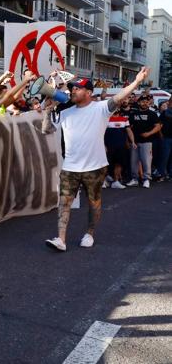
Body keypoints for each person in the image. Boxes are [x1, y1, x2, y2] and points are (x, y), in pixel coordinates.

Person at [42, 68, 149, 252]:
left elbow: (119, 97)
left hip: (95, 167)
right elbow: (46, 130)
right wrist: (47, 110)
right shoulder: (66, 113)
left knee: (94, 202)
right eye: (72, 88)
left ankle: (89, 233)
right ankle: (61, 239)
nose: (73, 90)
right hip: (70, 167)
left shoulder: (101, 109)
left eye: (78, 88)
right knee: (64, 202)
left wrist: (137, 81)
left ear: (89, 93)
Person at [126, 94, 162, 188]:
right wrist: (131, 140)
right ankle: (135, 179)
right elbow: (129, 127)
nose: (144, 103)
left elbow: (158, 126)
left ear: (148, 103)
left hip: (147, 141)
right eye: (142, 102)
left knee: (146, 161)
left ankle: (146, 179)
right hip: (135, 142)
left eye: (146, 102)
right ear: (138, 102)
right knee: (133, 161)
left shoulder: (152, 114)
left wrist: (149, 133)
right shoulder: (133, 114)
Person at [103, 105, 134, 189]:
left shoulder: (125, 119)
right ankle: (103, 181)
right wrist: (103, 145)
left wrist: (133, 142)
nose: (115, 110)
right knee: (105, 164)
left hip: (121, 146)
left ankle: (115, 181)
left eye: (117, 108)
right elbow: (101, 133)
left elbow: (129, 131)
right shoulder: (105, 119)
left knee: (119, 163)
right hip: (109, 146)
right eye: (114, 108)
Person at [158, 99, 172, 180]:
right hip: (166, 138)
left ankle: (170, 174)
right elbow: (159, 124)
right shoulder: (165, 112)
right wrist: (161, 135)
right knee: (164, 157)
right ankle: (162, 174)